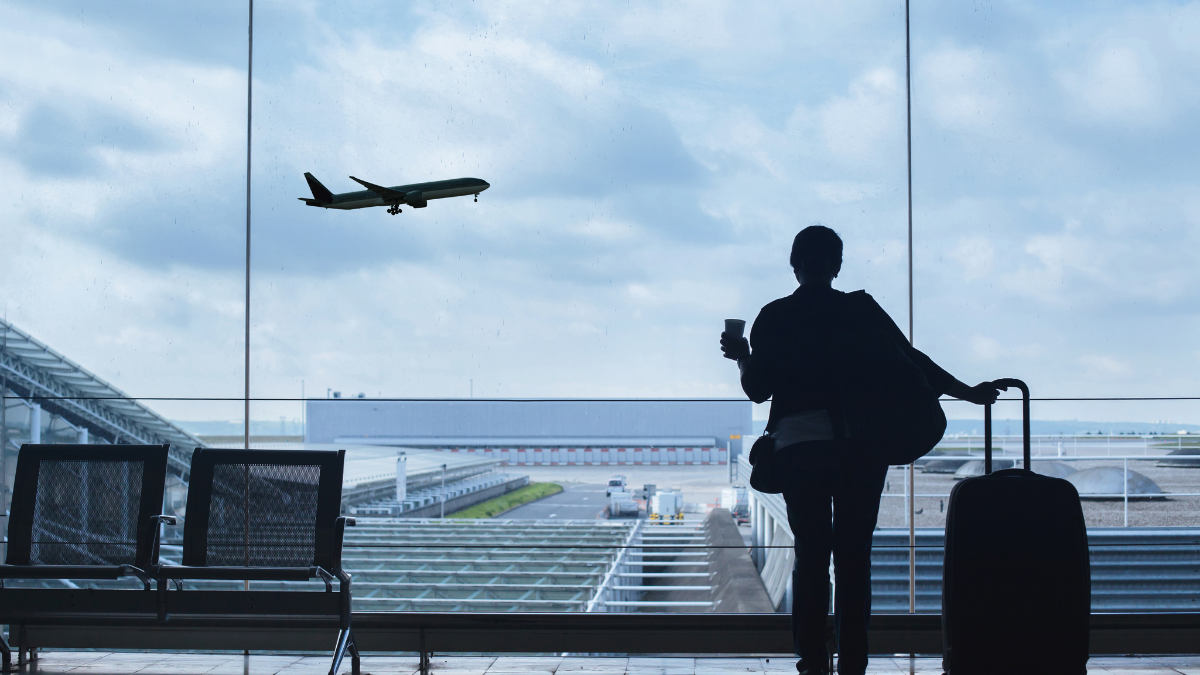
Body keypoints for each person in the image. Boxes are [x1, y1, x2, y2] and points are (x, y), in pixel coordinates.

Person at [720, 225, 998, 675]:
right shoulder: (860, 310)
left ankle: (813, 660)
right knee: (854, 559)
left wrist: (742, 355)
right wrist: (969, 392)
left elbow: (757, 389)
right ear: (837, 266)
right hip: (860, 449)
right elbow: (914, 361)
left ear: (794, 265)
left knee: (811, 556)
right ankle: (854, 661)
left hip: (799, 450)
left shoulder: (774, 315)